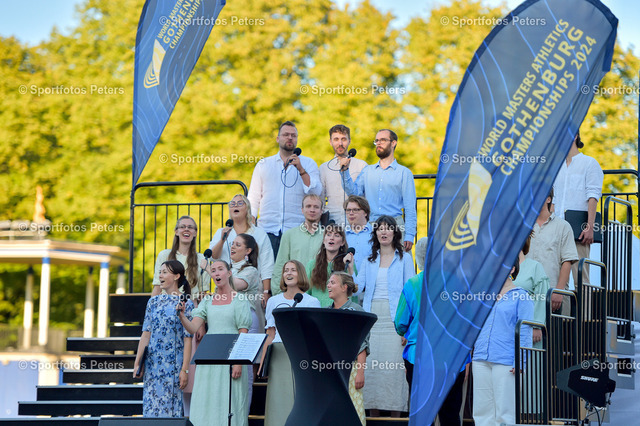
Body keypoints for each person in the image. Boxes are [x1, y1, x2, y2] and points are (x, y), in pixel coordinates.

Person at [394, 241, 470, 426]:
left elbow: (400, 323)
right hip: (452, 358)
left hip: (419, 357)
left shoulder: (413, 284)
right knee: (450, 415)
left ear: (420, 257)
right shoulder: (458, 284)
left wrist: (407, 330)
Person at [177, 259, 252, 426]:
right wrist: (182, 316)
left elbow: (243, 331)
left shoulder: (240, 299)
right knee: (207, 398)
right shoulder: (207, 301)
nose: (216, 273)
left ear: (229, 273)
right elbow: (193, 328)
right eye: (213, 270)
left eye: (220, 269)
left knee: (230, 400)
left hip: (231, 356)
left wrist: (238, 362)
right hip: (209, 357)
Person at [355, 215, 415, 416]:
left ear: (395, 232)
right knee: (372, 369)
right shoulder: (368, 260)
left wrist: (407, 328)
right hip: (372, 318)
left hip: (395, 318)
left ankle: (396, 417)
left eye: (388, 228)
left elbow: (410, 293)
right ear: (375, 234)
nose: (383, 231)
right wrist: (349, 267)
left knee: (394, 371)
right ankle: (373, 418)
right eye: (380, 228)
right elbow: (357, 289)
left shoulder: (405, 258)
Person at [247, 121, 322, 257]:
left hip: (297, 229)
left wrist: (301, 169)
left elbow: (316, 193)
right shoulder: (264, 164)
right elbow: (253, 197)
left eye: (293, 135)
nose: (290, 138)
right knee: (268, 269)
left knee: (296, 268)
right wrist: (252, 229)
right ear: (278, 138)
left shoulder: (308, 163)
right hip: (268, 229)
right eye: (286, 135)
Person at [260, 260, 321, 426]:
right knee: (278, 396)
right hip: (278, 353)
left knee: (299, 397)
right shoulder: (273, 301)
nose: (288, 273)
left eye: (293, 270)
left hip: (301, 354)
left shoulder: (312, 302)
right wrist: (263, 362)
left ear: (300, 274)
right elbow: (270, 334)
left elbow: (314, 336)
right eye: (286, 270)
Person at [472, 263, 534, 426]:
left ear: (512, 269)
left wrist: (520, 361)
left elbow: (525, 331)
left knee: (505, 415)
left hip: (506, 360)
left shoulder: (522, 296)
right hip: (480, 357)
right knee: (481, 413)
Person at [339, 129, 417, 251]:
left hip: (395, 226)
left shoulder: (404, 173)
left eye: (383, 140)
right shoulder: (367, 171)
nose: (378, 143)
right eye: (377, 141)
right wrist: (345, 172)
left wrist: (410, 235)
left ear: (393, 143)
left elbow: (410, 207)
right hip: (372, 226)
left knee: (398, 260)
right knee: (371, 259)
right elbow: (354, 194)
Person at [134, 260, 193, 417]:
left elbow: (188, 339)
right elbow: (146, 334)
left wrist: (184, 370)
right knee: (150, 409)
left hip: (173, 366)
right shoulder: (153, 302)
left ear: (176, 276)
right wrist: (138, 362)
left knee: (171, 412)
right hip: (152, 365)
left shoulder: (186, 303)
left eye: (165, 272)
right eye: (160, 272)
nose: (160, 275)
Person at [552, 131, 603, 285]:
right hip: (557, 228)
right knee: (558, 280)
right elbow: (553, 199)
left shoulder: (589, 163)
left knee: (581, 279)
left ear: (575, 136)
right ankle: (562, 303)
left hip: (578, 230)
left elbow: (593, 196)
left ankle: (585, 304)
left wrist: (590, 226)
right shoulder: (556, 167)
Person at [208, 194, 275, 306]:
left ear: (247, 208)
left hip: (252, 291)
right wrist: (222, 240)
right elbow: (212, 257)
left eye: (240, 203)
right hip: (226, 290)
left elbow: (267, 265)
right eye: (232, 204)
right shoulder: (222, 232)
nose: (235, 206)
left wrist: (266, 291)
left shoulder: (259, 233)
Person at [527, 188, 578, 314]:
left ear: (548, 199)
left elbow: (567, 261)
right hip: (526, 294)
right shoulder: (524, 226)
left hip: (552, 294)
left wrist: (558, 291)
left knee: (555, 327)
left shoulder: (563, 226)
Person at [327, 271, 369, 425]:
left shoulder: (356, 311)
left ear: (344, 287)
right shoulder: (325, 312)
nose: (328, 285)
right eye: (328, 282)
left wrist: (360, 373)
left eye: (332, 282)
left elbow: (362, 344)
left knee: (354, 407)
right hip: (328, 369)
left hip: (350, 369)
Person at [228, 233, 262, 406]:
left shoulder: (251, 271)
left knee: (244, 371)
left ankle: (242, 415)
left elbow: (234, 285)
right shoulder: (228, 269)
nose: (233, 247)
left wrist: (212, 269)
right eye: (232, 243)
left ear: (248, 250)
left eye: (238, 244)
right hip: (229, 320)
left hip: (247, 320)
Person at [271, 193, 324, 293]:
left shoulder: (327, 236)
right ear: (302, 210)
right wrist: (278, 293)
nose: (312, 210)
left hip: (319, 291)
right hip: (295, 290)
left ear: (321, 211)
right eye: (308, 206)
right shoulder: (289, 235)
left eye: (316, 207)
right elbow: (280, 265)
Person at [319, 125, 368, 225]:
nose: (340, 143)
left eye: (343, 139)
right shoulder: (324, 168)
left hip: (356, 222)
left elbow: (365, 198)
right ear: (330, 142)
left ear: (349, 141)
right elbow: (321, 200)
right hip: (332, 222)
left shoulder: (361, 165)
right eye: (336, 139)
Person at [151, 216, 207, 297]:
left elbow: (202, 293)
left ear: (195, 233)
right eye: (182, 227)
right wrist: (152, 304)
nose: (186, 229)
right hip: (167, 303)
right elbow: (157, 287)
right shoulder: (164, 255)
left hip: (191, 303)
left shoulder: (202, 259)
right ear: (176, 231)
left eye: (190, 227)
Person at [513, 233, 550, 348]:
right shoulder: (500, 269)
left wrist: (536, 325)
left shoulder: (535, 267)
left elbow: (542, 297)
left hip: (528, 329)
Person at [307, 223, 355, 307]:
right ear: (324, 240)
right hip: (318, 310)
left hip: (340, 311)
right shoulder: (312, 264)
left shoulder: (348, 263)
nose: (332, 238)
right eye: (328, 234)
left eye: (336, 235)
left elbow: (354, 291)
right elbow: (306, 292)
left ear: (342, 242)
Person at [344, 195, 373, 274]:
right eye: (348, 210)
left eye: (355, 210)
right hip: (347, 279)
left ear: (365, 212)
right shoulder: (342, 235)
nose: (351, 213)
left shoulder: (376, 234)